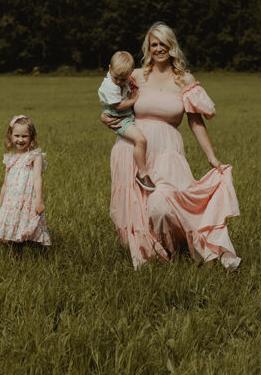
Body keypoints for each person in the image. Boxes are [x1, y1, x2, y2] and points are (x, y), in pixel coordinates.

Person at [102, 22, 240, 269]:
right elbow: (111, 102)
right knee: (137, 208)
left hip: (168, 153)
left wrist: (212, 157)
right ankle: (155, 258)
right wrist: (105, 117)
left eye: (163, 43)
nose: (158, 48)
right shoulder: (135, 77)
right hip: (132, 148)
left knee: (162, 204)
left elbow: (196, 123)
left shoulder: (185, 80)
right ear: (148, 48)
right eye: (153, 44)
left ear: (171, 46)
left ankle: (175, 248)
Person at [0, 114, 51, 249]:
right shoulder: (10, 158)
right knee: (11, 221)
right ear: (10, 136)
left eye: (24, 136)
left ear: (31, 137)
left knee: (28, 222)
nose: (20, 140)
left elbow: (38, 178)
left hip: (27, 199)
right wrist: (0, 203)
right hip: (12, 199)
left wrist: (38, 200)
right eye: (17, 136)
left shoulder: (34, 156)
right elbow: (5, 183)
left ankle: (34, 248)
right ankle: (14, 249)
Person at [98, 50, 156, 192]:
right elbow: (119, 106)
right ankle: (142, 174)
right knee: (140, 140)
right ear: (110, 68)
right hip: (120, 118)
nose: (119, 82)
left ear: (130, 72)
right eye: (116, 78)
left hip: (127, 115)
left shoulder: (124, 77)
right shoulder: (110, 86)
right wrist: (134, 99)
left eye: (123, 79)